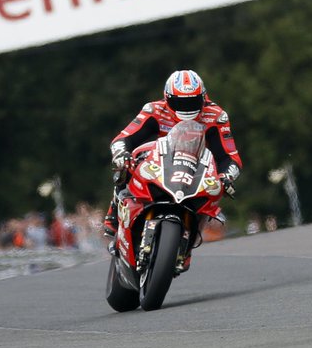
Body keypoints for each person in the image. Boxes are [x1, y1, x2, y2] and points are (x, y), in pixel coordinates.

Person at [102, 69, 242, 237]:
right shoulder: (153, 110)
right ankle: (115, 211)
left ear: (203, 98)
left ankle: (191, 233)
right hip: (158, 164)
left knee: (215, 191)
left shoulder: (217, 117)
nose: (187, 108)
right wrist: (122, 154)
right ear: (167, 98)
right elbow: (123, 138)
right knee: (126, 164)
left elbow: (230, 157)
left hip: (196, 170)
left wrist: (227, 177)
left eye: (193, 102)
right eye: (180, 102)